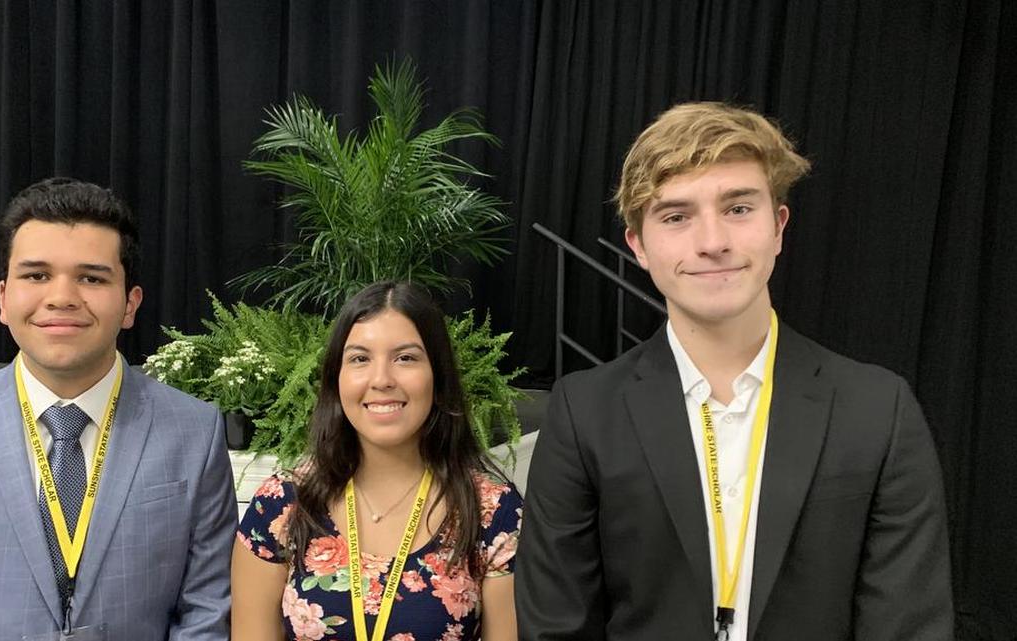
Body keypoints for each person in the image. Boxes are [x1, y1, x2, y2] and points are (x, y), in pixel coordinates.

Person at [516, 102, 954, 640]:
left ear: (778, 225)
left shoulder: (878, 410)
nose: (713, 242)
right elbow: (556, 627)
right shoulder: (584, 413)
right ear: (639, 246)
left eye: (739, 208)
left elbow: (908, 628)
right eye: (676, 216)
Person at [0, 177, 236, 640]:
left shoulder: (194, 432)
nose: (62, 297)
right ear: (4, 299)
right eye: (37, 275)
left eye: (91, 278)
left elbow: (206, 611)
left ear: (130, 304)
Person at [231, 282, 522, 641]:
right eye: (359, 359)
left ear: (438, 374)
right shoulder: (282, 503)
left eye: (406, 358)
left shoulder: (493, 510)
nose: (382, 379)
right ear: (336, 378)